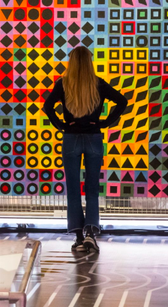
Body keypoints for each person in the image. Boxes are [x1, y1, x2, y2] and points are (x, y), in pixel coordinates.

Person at [43, 46, 127, 253]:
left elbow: (47, 107)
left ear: (71, 62)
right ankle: (91, 234)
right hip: (93, 138)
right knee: (92, 188)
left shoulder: (63, 84)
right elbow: (122, 101)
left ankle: (79, 237)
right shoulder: (97, 83)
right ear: (89, 62)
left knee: (73, 189)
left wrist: (62, 125)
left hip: (70, 138)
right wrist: (104, 123)